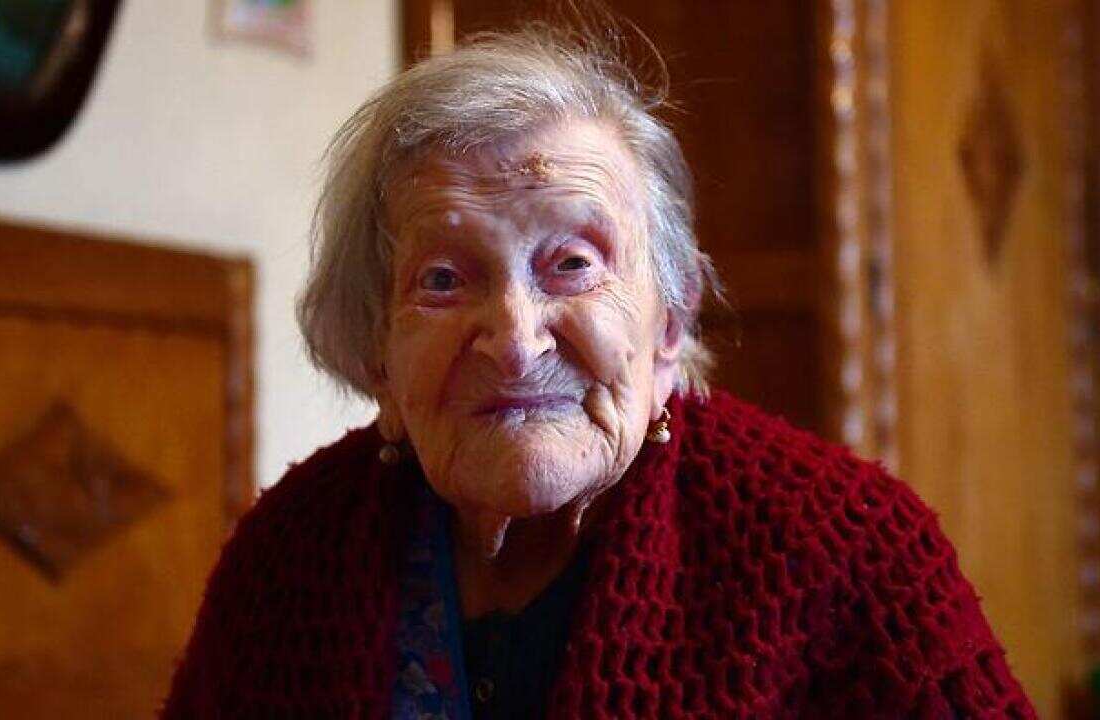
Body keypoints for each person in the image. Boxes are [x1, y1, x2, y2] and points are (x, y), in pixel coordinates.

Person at [162, 22, 1036, 719]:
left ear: (672, 315)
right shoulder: (288, 558)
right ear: (373, 350)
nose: (514, 337)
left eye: (573, 264)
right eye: (442, 279)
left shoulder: (846, 547)